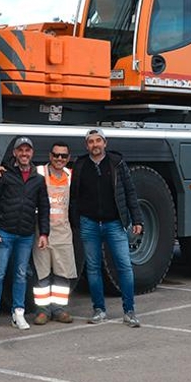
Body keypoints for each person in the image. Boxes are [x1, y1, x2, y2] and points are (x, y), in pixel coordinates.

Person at [0, 141, 77, 325]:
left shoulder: (71, 175)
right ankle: (43, 311)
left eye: (63, 156)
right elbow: (19, 165)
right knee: (42, 273)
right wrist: (0, 168)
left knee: (62, 274)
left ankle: (59, 309)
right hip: (41, 231)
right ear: (49, 156)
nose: (59, 159)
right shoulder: (38, 172)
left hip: (62, 231)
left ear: (68, 158)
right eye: (56, 155)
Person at [69, 128, 143, 327]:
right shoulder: (81, 165)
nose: (95, 145)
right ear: (87, 145)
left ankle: (129, 311)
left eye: (98, 141)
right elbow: (74, 196)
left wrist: (137, 220)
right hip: (89, 223)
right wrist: (75, 221)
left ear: (105, 143)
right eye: (91, 142)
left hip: (114, 223)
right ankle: (99, 310)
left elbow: (129, 192)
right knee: (93, 268)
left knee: (124, 267)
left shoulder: (117, 163)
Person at [0, 136, 50, 330]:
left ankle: (18, 314)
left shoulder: (38, 179)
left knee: (21, 275)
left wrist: (44, 233)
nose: (24, 154)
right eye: (20, 150)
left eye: (27, 150)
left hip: (26, 236)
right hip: (4, 234)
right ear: (14, 153)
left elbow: (44, 208)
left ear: (32, 153)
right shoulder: (3, 175)